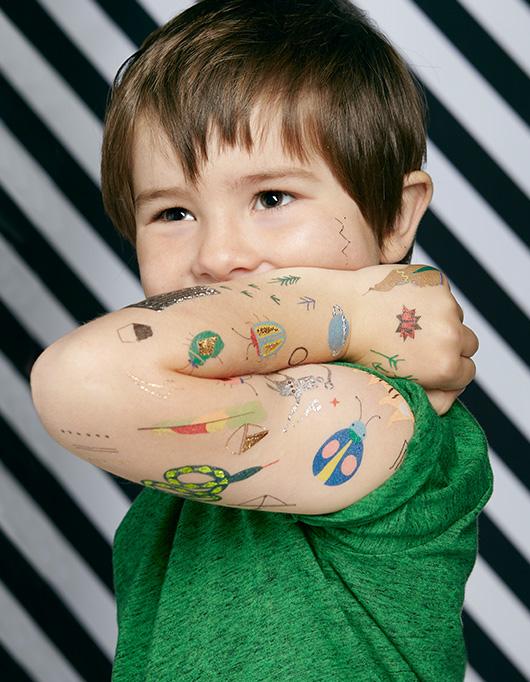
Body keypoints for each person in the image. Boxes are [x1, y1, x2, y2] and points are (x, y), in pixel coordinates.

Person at [30, 1, 493, 680]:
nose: (218, 255)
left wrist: (348, 315)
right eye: (173, 212)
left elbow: (80, 380)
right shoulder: (192, 437)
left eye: (272, 198)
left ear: (395, 216)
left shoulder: (386, 417)